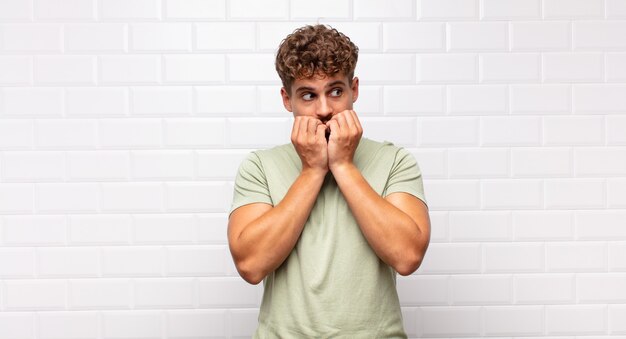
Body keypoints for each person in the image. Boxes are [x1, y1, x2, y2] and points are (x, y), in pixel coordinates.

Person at [227, 24, 431, 338]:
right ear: (287, 99)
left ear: (355, 90)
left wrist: (344, 165)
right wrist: (312, 170)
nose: (324, 109)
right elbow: (251, 265)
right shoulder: (259, 166)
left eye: (336, 91)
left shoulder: (396, 161)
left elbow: (407, 257)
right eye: (308, 95)